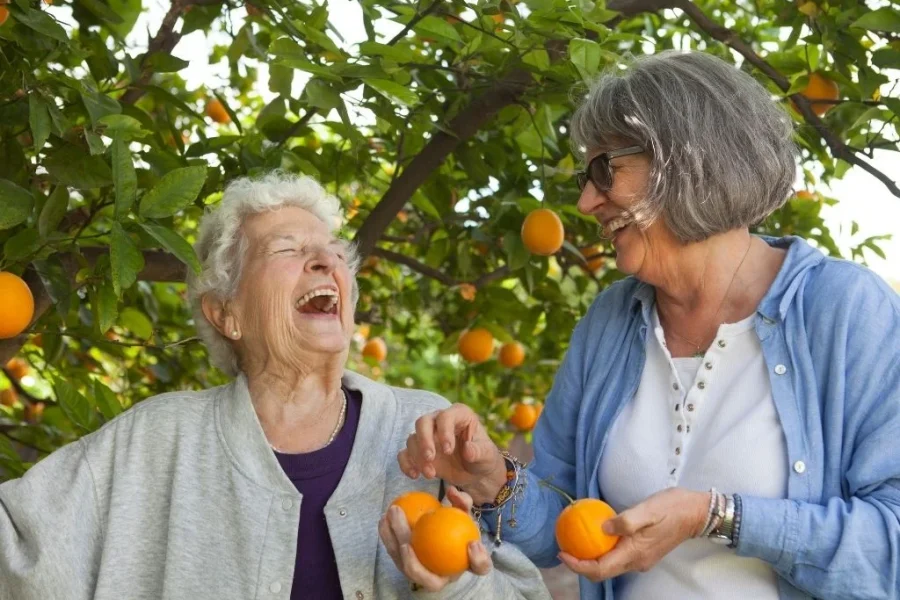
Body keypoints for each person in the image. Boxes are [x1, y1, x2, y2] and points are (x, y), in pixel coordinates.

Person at [399, 51, 900, 600]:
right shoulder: (610, 321)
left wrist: (718, 516)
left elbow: (890, 549)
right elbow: (568, 526)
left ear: (686, 160)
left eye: (604, 170)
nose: (588, 201)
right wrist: (492, 477)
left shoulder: (845, 308)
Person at [0, 172, 550, 600]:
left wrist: (455, 585)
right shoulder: (155, 440)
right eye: (287, 250)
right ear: (226, 314)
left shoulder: (423, 433)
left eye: (334, 251)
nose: (324, 260)